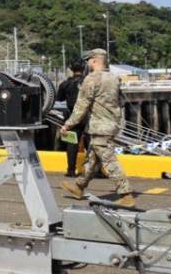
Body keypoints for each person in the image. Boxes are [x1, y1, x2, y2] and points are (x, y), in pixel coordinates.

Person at [60, 48, 134, 207]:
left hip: (99, 127)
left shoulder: (91, 79)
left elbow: (81, 106)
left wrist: (68, 124)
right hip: (111, 124)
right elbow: (120, 102)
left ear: (94, 61)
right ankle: (79, 187)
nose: (87, 64)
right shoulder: (114, 79)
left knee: (108, 160)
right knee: (92, 160)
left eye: (88, 61)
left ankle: (126, 194)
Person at [55, 59, 86, 177]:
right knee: (91, 143)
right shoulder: (87, 82)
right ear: (84, 68)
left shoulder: (65, 84)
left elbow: (59, 99)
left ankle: (71, 170)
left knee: (71, 144)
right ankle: (94, 170)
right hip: (87, 116)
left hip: (71, 116)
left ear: (71, 69)